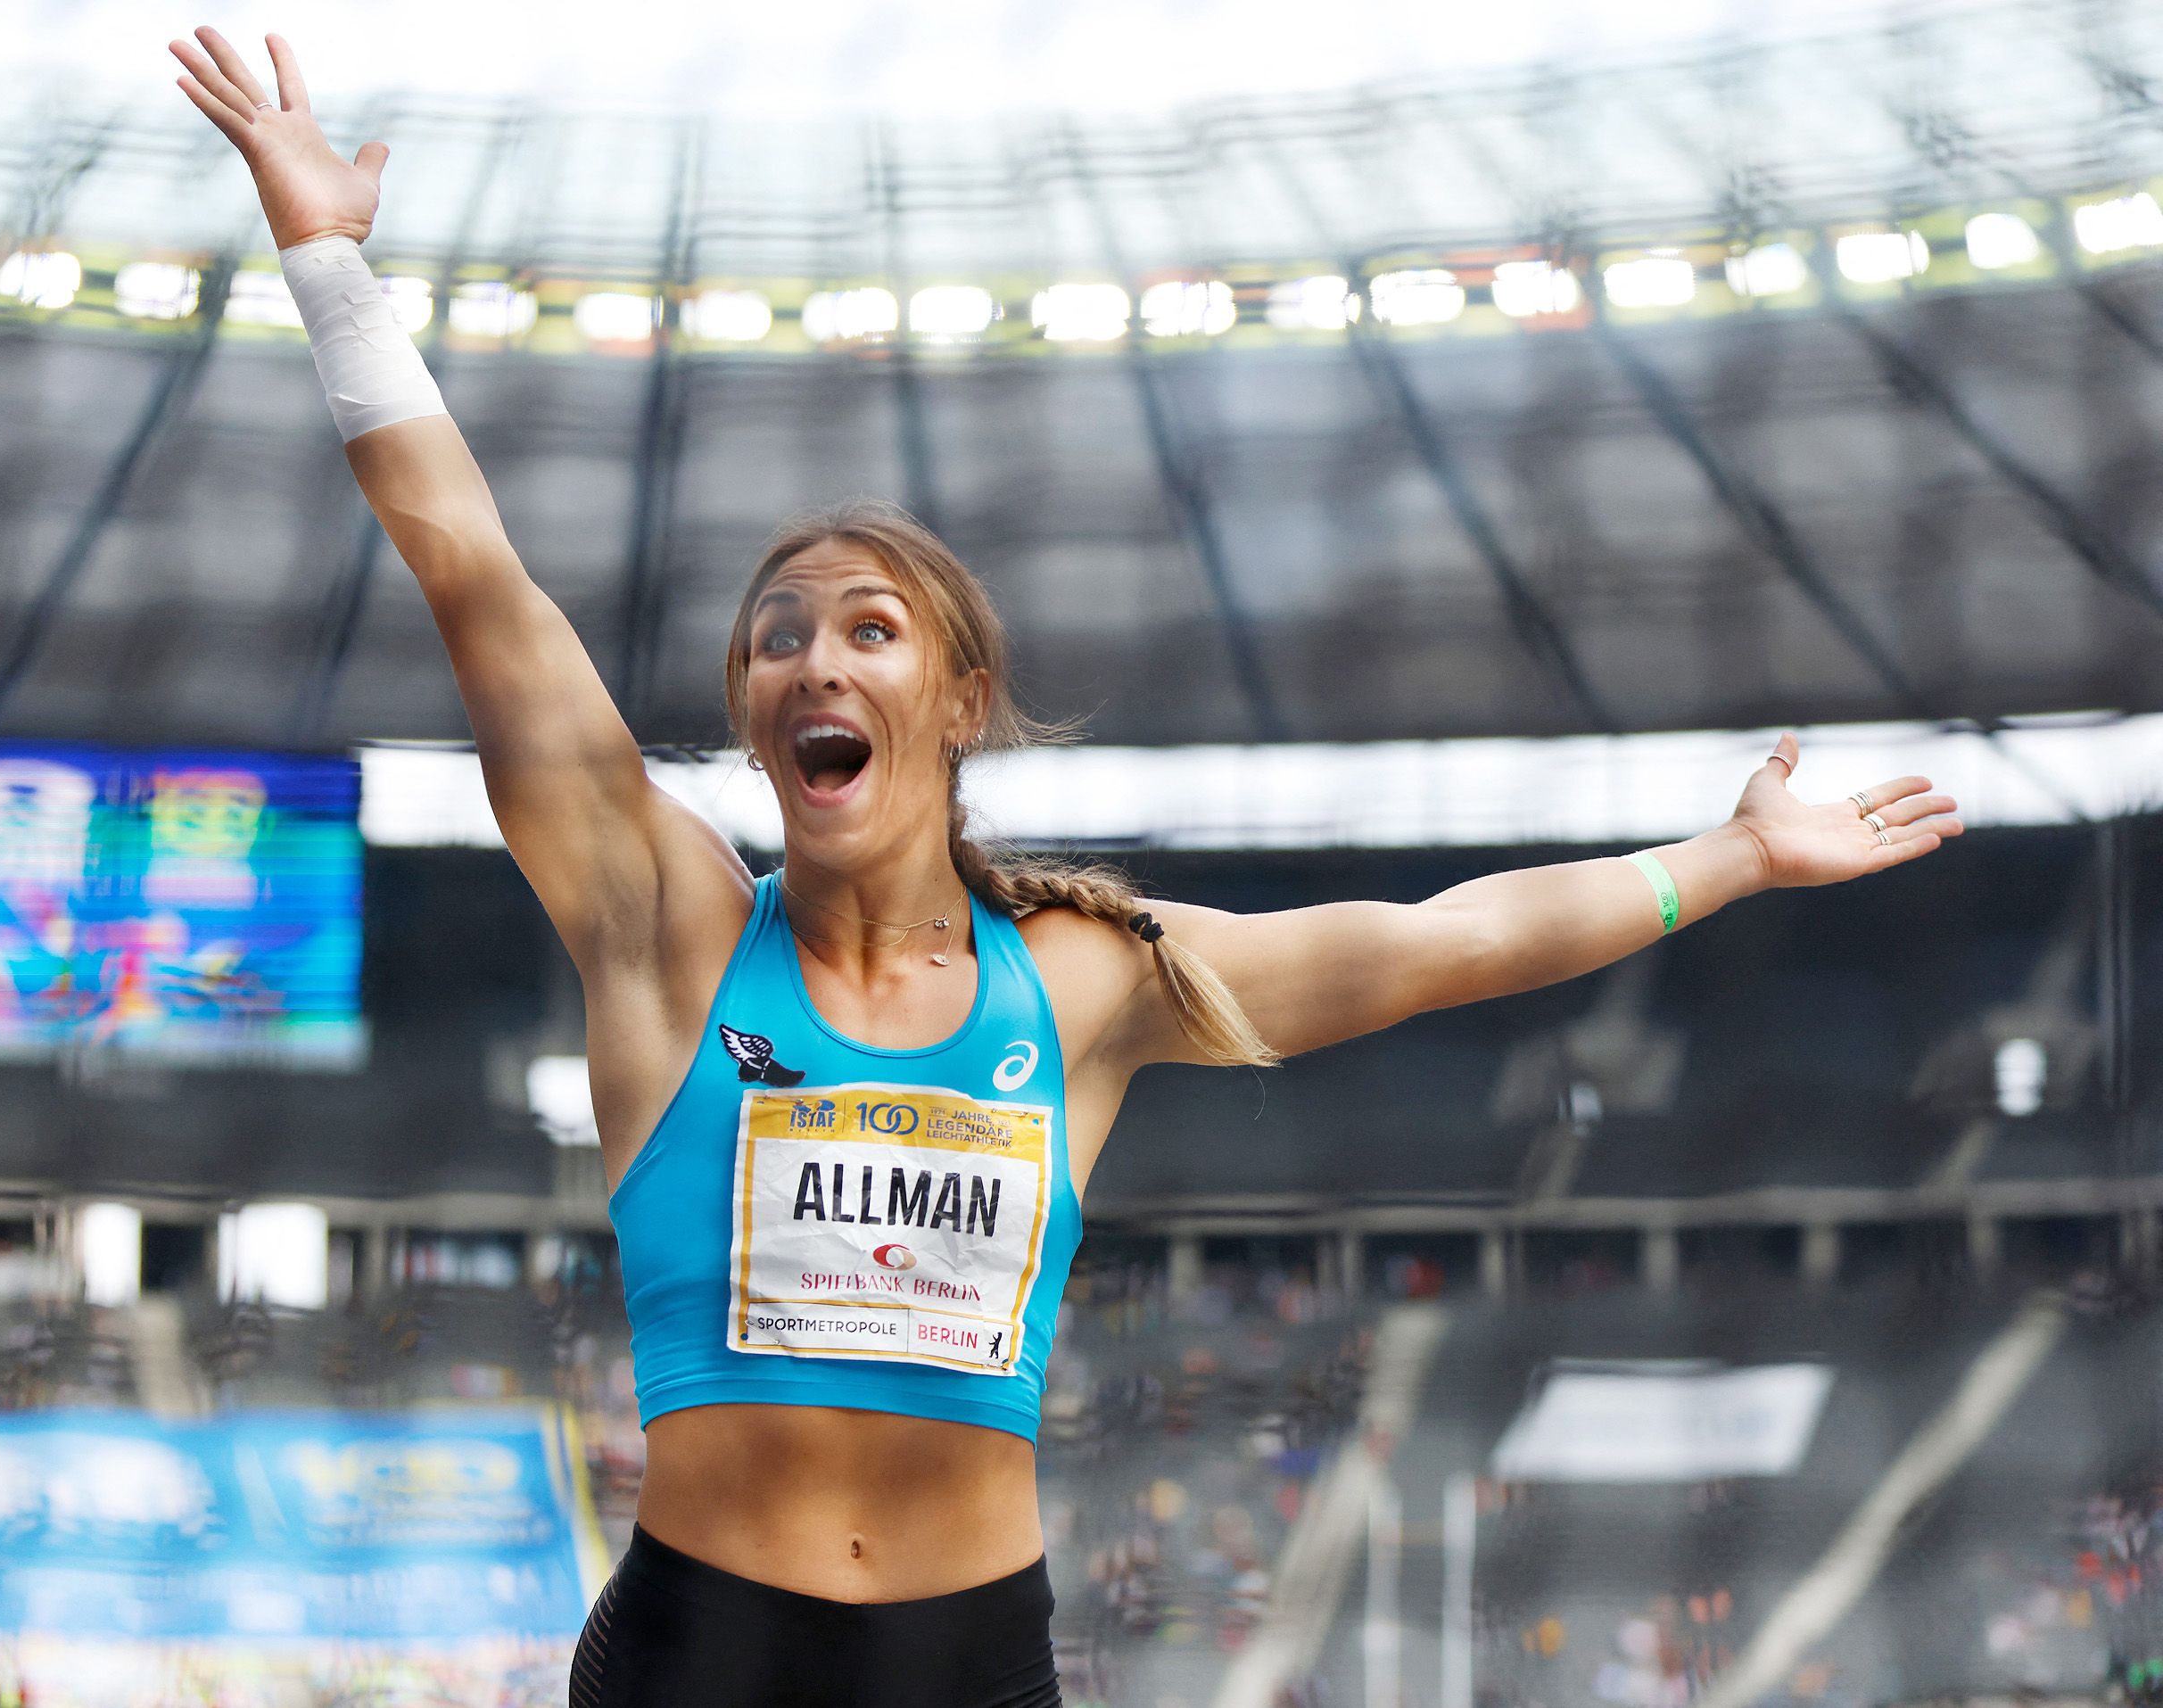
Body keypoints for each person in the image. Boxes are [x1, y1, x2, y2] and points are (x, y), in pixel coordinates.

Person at [169, 29, 1966, 1706]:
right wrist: (328, 266)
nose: (811, 659)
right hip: (694, 1653)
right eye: (774, 634)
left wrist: (1727, 856)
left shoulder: (1088, 981)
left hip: (970, 1661)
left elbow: (1442, 942)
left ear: (949, 703)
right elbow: (472, 569)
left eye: (865, 630)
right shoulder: (664, 925)